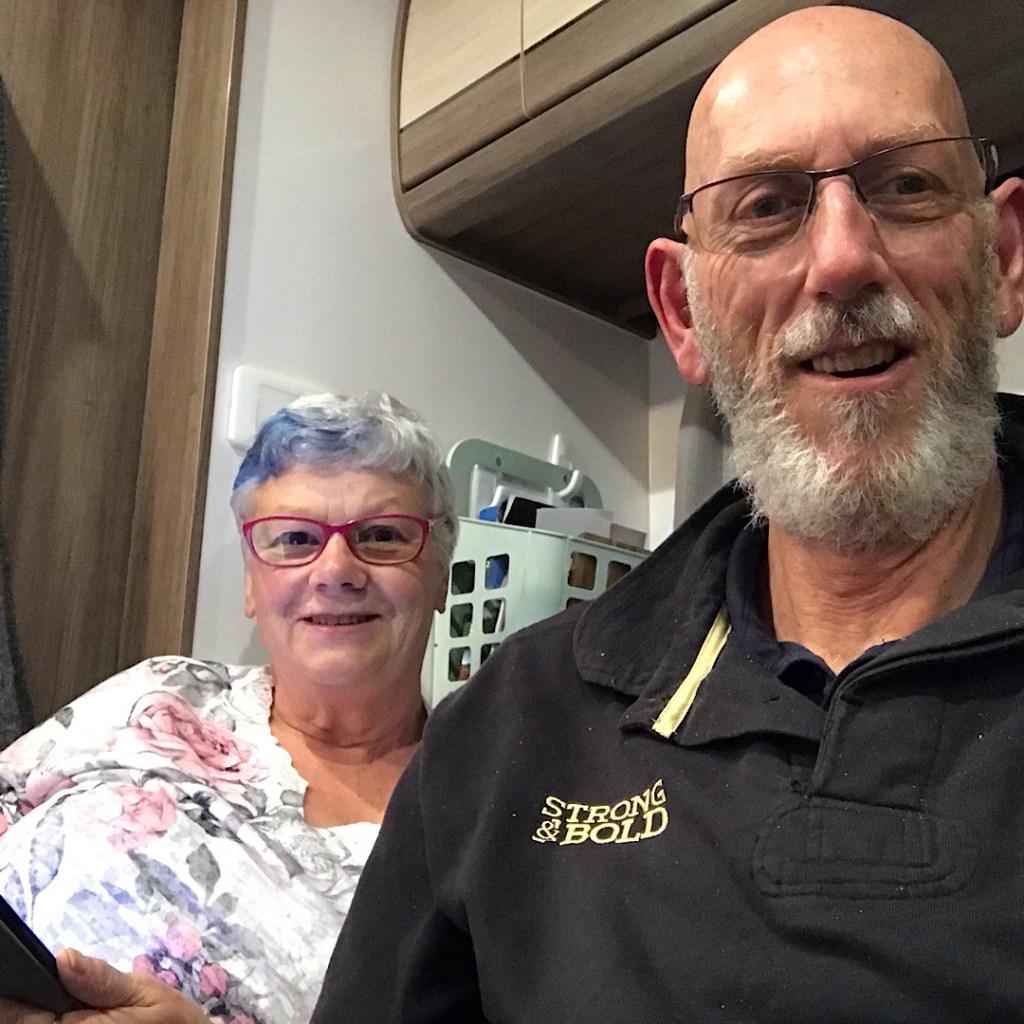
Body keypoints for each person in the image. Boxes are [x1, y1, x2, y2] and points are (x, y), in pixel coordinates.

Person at [306, 7, 1024, 1024]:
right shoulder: (508, 731)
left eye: (905, 185)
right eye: (765, 206)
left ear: (1002, 258)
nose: (842, 259)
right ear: (682, 313)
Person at [0, 392, 456, 1024]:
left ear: (440, 575)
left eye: (381, 537)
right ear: (250, 582)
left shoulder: (480, 812)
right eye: (295, 539)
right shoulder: (163, 691)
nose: (336, 570)